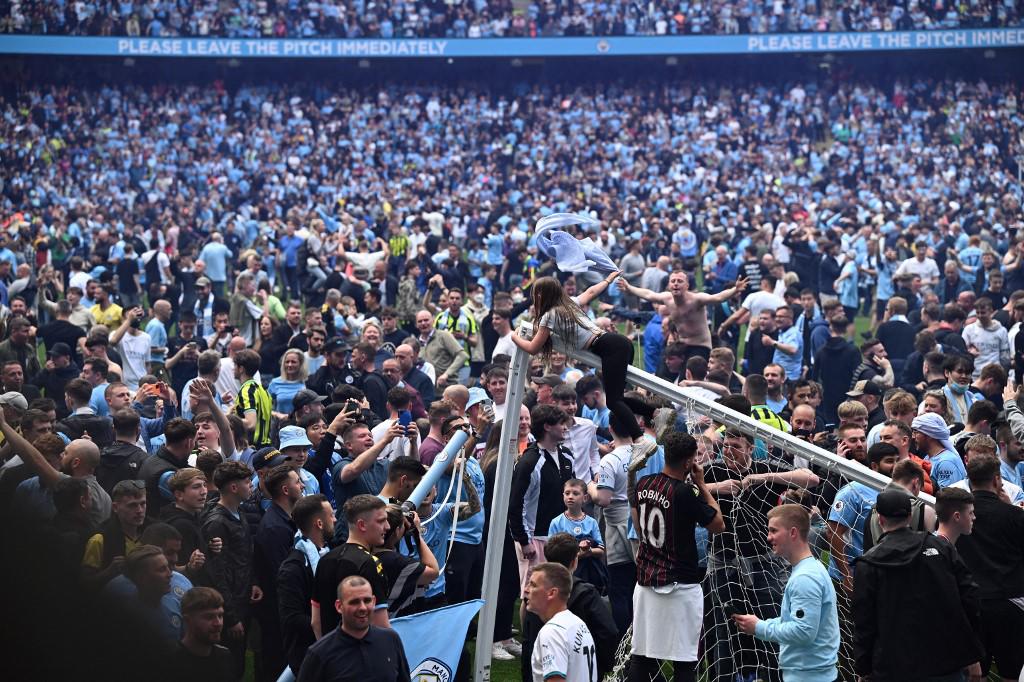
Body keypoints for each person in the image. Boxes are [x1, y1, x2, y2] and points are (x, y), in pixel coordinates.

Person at [511, 275, 656, 462]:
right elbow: (591, 292)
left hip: (610, 348)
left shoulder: (549, 316)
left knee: (613, 401)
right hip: (619, 343)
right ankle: (654, 413)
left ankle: (639, 439)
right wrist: (607, 280)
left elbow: (533, 347)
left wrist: (514, 337)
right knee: (618, 399)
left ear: (541, 295)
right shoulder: (569, 304)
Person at [853, 490, 984, 682]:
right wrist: (970, 652)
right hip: (945, 662)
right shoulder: (942, 548)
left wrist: (863, 666)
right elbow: (970, 600)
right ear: (910, 516)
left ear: (880, 520)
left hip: (893, 667)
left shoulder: (868, 564)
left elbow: (864, 622)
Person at [629, 431, 724, 682]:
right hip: (680, 584)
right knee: (684, 660)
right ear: (688, 462)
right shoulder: (683, 492)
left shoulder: (644, 483)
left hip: (646, 580)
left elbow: (637, 523)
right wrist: (702, 484)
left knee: (641, 656)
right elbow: (718, 524)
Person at [732, 504, 840, 682]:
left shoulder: (805, 578)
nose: (768, 537)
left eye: (774, 531)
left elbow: (803, 631)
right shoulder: (809, 568)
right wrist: (759, 623)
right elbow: (796, 622)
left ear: (793, 533)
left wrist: (759, 627)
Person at [953, 454, 1024, 682]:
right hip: (1010, 602)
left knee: (975, 674)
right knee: (1012, 674)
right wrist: (1012, 508)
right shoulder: (1015, 516)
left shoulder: (957, 517)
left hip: (970, 602)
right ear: (996, 479)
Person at [201, 460, 261, 679]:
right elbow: (218, 573)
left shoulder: (238, 512)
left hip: (243, 596)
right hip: (231, 605)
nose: (251, 485)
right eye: (247, 482)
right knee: (230, 667)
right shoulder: (217, 523)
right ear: (234, 487)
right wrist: (231, 617)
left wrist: (253, 582)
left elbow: (244, 556)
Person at [298, 575, 411, 682]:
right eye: (354, 602)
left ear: (374, 601)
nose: (362, 607)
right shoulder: (319, 654)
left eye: (367, 601)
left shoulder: (391, 640)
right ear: (339, 606)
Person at [619, 269, 748, 360]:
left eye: (680, 281)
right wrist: (629, 287)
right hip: (681, 345)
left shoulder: (697, 299)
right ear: (669, 285)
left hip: (700, 346)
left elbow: (717, 298)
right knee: (664, 369)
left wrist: (735, 289)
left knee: (688, 377)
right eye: (673, 281)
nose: (676, 283)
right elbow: (648, 294)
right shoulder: (667, 299)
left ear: (687, 285)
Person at [312, 494, 392, 636]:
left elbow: (316, 622)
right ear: (362, 525)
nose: (387, 527)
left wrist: (325, 647)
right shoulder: (370, 563)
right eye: (381, 521)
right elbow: (381, 626)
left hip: (331, 647)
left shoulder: (324, 560)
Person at [278, 494, 334, 677]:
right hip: (308, 658)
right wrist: (331, 624)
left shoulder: (327, 555)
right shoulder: (293, 568)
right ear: (319, 523)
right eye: (331, 515)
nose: (335, 520)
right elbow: (292, 618)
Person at [527, 562, 597, 682]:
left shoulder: (552, 632)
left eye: (533, 585)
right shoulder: (578, 623)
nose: (526, 589)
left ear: (551, 593)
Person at [174, 587, 235, 682]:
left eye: (220, 616)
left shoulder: (224, 656)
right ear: (187, 620)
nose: (218, 623)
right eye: (209, 617)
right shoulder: (171, 661)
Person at [232, 348, 273, 448]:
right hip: (266, 448)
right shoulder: (263, 391)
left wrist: (228, 419)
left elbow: (251, 424)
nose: (233, 369)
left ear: (241, 369)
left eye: (235, 365)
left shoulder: (247, 390)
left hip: (252, 449)